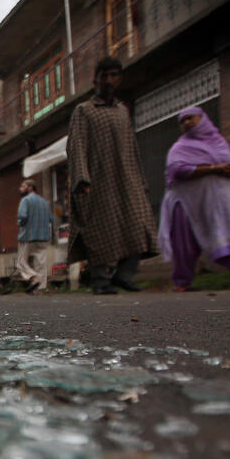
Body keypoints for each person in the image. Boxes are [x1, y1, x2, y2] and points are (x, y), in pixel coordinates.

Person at [66, 57, 158, 295]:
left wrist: (141, 180)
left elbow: (132, 146)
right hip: (97, 181)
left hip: (127, 179)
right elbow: (76, 145)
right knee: (101, 231)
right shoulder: (84, 111)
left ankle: (124, 275)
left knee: (139, 224)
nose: (109, 80)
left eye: (114, 75)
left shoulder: (122, 111)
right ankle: (99, 281)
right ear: (96, 79)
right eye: (104, 75)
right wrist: (81, 179)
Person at [158, 107, 230, 291]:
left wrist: (229, 169)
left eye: (190, 118)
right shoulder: (180, 147)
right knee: (184, 244)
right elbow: (177, 171)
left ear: (202, 119)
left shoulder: (218, 142)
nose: (186, 122)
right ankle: (182, 283)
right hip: (186, 203)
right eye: (182, 121)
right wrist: (213, 168)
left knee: (225, 237)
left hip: (215, 203)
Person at [15, 179, 52, 294]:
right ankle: (40, 288)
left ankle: (33, 278)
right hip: (43, 236)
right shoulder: (45, 202)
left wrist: (20, 223)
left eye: (23, 186)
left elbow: (22, 216)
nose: (20, 189)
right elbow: (50, 219)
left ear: (30, 188)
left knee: (20, 262)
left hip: (28, 236)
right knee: (40, 263)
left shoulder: (26, 200)